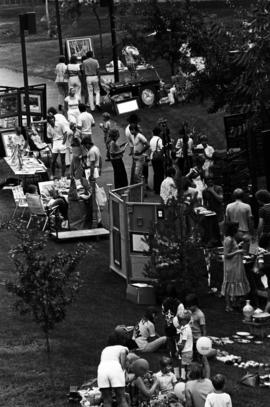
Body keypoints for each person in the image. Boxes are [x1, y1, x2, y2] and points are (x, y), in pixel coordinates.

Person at [221, 222, 250, 312]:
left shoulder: (232, 238)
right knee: (229, 283)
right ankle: (228, 305)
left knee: (235, 282)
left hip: (236, 265)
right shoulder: (228, 239)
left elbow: (232, 249)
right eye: (236, 229)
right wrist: (238, 251)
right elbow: (226, 254)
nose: (238, 230)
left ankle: (235, 303)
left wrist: (238, 246)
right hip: (231, 266)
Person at [97, 333, 129, 407]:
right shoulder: (122, 348)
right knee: (121, 399)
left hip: (102, 370)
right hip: (115, 369)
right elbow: (123, 353)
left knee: (107, 400)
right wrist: (124, 371)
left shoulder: (105, 349)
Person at [185, 294, 206, 360]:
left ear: (195, 305)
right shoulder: (188, 312)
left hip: (197, 339)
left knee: (198, 356)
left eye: (190, 306)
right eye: (187, 306)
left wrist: (203, 340)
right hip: (190, 338)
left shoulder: (200, 314)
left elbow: (203, 328)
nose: (188, 308)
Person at [177, 310, 193, 381]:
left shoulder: (186, 330)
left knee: (185, 365)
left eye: (180, 320)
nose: (179, 322)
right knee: (185, 364)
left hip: (186, 350)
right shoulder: (186, 328)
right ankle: (184, 377)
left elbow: (183, 342)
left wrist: (178, 351)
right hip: (187, 350)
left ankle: (185, 378)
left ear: (184, 321)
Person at [150, 127, 164, 194]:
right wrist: (161, 155)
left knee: (155, 173)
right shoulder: (159, 139)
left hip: (153, 157)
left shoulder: (152, 139)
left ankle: (156, 188)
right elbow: (162, 148)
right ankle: (159, 188)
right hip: (158, 158)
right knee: (160, 173)